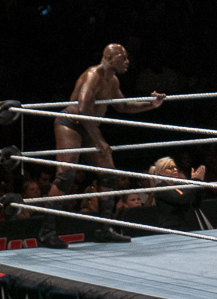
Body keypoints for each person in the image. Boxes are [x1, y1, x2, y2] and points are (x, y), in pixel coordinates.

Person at [44, 44, 166, 249]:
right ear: (109, 58)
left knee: (108, 173)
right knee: (66, 175)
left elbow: (123, 106)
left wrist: (150, 104)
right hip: (71, 123)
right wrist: (99, 140)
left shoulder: (113, 80)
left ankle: (104, 228)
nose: (127, 61)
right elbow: (83, 109)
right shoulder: (93, 75)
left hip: (89, 126)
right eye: (122, 57)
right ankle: (46, 231)